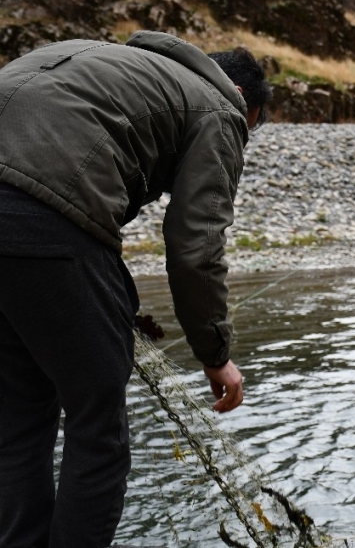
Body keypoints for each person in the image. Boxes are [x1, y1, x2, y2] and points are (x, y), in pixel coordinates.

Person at [0, 31, 272, 547]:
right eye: (249, 130)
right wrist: (215, 355)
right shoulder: (221, 106)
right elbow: (196, 246)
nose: (242, 137)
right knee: (98, 431)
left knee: (17, 418)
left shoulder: (103, 57)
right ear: (240, 96)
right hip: (42, 215)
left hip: (24, 221)